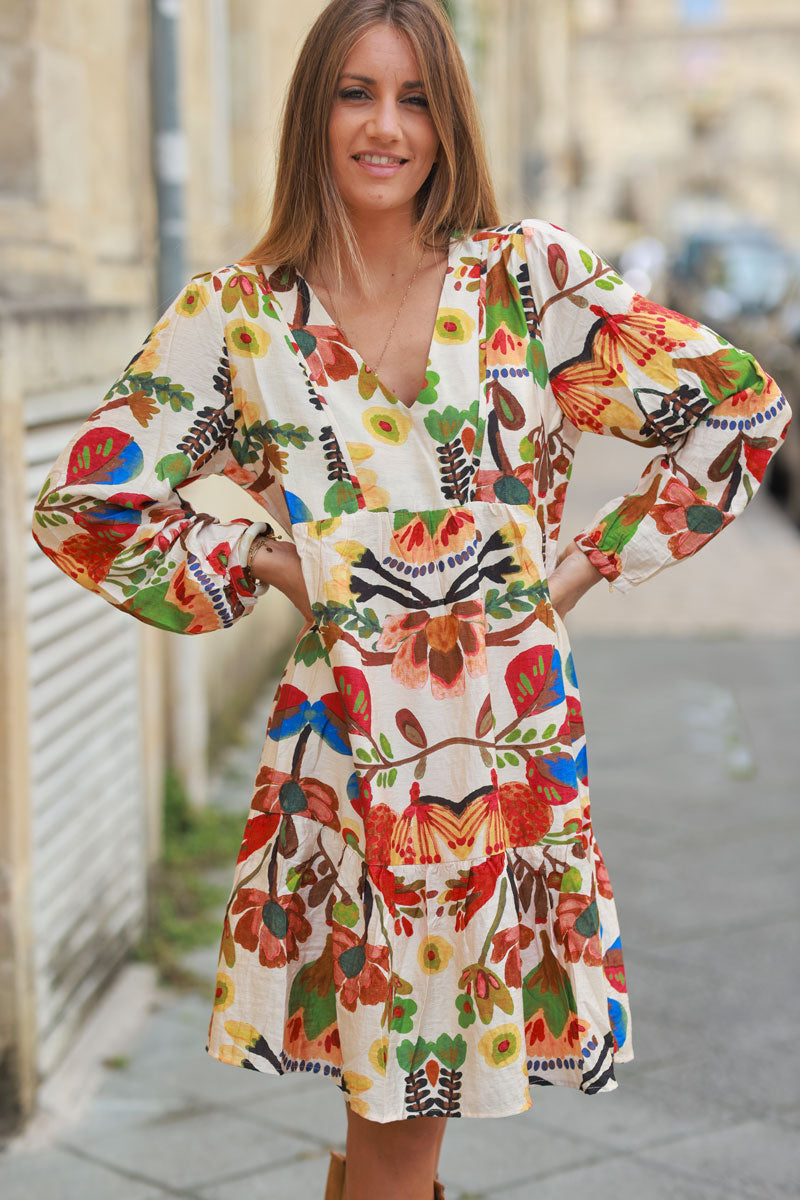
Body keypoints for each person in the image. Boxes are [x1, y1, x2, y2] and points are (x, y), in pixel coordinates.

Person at [30, 1, 792, 1198]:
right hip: (343, 763)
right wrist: (267, 567)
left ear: (447, 119)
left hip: (503, 755)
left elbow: (736, 410)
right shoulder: (237, 320)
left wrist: (576, 570)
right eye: (353, 93)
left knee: (397, 1123)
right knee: (386, 1116)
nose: (385, 127)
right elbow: (85, 507)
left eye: (415, 97)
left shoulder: (526, 282)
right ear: (310, 113)